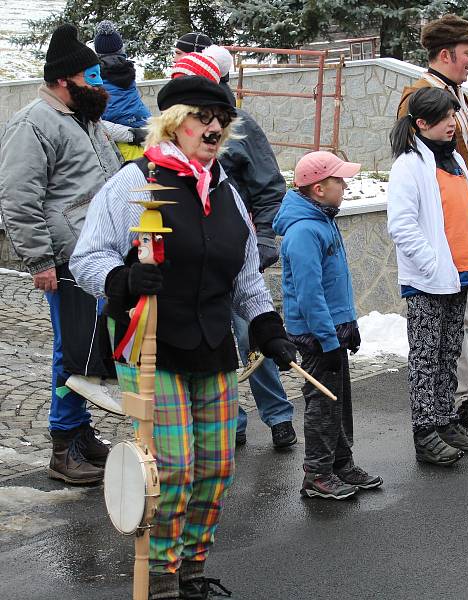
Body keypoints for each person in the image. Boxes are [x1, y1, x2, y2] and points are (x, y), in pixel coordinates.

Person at [70, 75, 298, 598]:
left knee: (216, 466)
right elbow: (88, 257)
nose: (214, 126)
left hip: (214, 345)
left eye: (221, 119)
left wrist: (268, 326)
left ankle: (193, 567)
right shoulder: (136, 182)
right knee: (171, 468)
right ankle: (162, 576)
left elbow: (244, 279)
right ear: (175, 124)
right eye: (202, 116)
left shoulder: (226, 191)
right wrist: (121, 279)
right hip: (153, 344)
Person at [0, 24, 122, 485]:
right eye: (92, 77)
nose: (99, 85)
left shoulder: (82, 117)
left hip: (100, 253)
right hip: (67, 257)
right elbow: (16, 197)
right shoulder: (32, 123)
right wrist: (40, 261)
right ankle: (63, 443)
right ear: (64, 79)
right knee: (69, 349)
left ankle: (80, 430)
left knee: (90, 346)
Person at [172, 43, 297, 449]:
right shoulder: (173, 138)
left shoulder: (242, 127)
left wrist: (260, 243)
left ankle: (278, 416)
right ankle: (232, 422)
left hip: (236, 257)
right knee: (213, 348)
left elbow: (270, 188)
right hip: (192, 267)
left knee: (251, 337)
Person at [397, 14, 468, 428]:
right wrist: (434, 252)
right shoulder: (422, 99)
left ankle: (455, 404)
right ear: (446, 54)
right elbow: (415, 182)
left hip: (462, 238)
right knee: (437, 341)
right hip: (442, 245)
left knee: (458, 328)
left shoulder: (456, 97)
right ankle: (444, 414)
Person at [388, 87, 468, 465]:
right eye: (445, 117)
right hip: (428, 279)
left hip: (459, 275)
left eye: (453, 115)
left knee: (450, 351)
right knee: (426, 357)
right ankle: (424, 432)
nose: (453, 123)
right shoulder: (408, 165)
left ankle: (446, 419)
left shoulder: (455, 161)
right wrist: (432, 266)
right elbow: (401, 226)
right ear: (421, 124)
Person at [272, 151, 383, 500]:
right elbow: (309, 294)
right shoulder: (305, 230)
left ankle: (341, 462)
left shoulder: (323, 220)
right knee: (323, 404)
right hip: (317, 337)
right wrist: (328, 339)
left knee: (338, 402)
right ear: (319, 188)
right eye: (339, 181)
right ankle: (317, 473)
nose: (346, 185)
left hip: (333, 332)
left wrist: (348, 325)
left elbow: (333, 285)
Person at [93, 20, 150, 160]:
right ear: (121, 50)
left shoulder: (94, 75)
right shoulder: (129, 71)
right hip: (142, 121)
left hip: (117, 130)